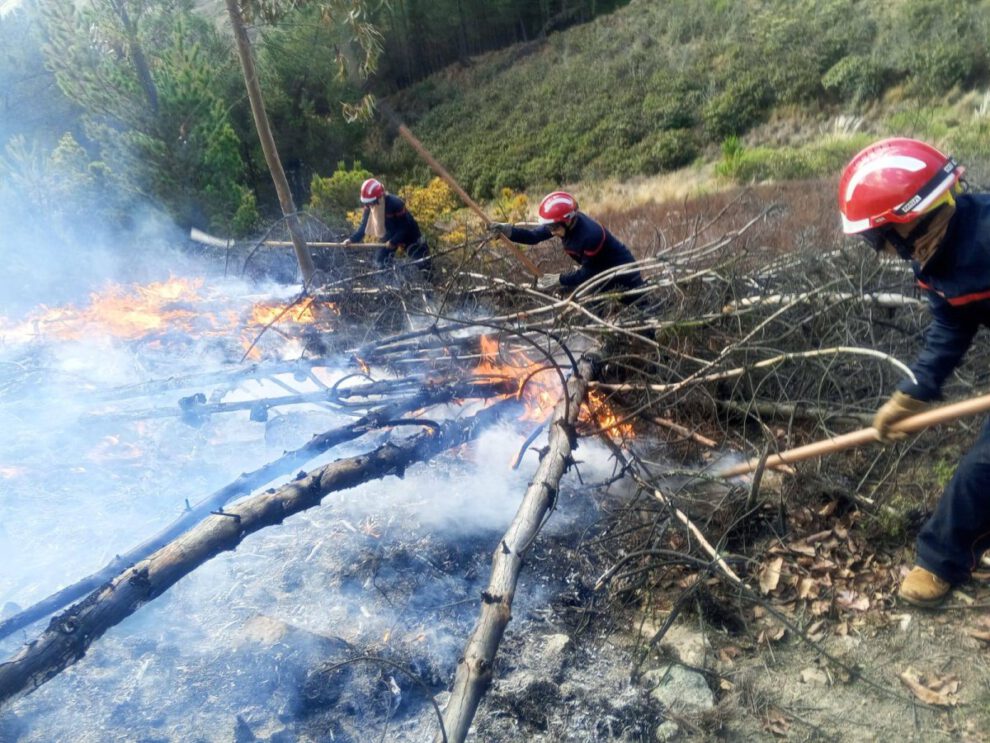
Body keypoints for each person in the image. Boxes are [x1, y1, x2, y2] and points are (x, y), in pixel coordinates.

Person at [839, 136, 990, 607]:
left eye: (879, 235)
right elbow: (950, 326)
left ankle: (941, 560)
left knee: (981, 468)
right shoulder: (937, 261)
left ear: (910, 217)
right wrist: (912, 393)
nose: (881, 248)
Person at [490, 191, 643, 295]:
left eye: (553, 227)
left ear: (568, 220)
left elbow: (588, 273)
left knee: (640, 310)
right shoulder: (559, 225)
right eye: (549, 226)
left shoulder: (590, 237)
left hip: (623, 274)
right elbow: (533, 236)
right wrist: (509, 231)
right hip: (599, 272)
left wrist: (560, 279)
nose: (551, 231)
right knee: (592, 309)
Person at [345, 178, 431, 276]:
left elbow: (405, 227)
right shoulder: (369, 207)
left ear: (380, 197)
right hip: (389, 235)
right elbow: (363, 227)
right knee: (380, 262)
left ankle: (430, 284)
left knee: (422, 264)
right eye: (367, 203)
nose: (369, 205)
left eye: (371, 202)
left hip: (410, 235)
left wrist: (394, 241)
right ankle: (389, 286)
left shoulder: (395, 204)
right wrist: (351, 240)